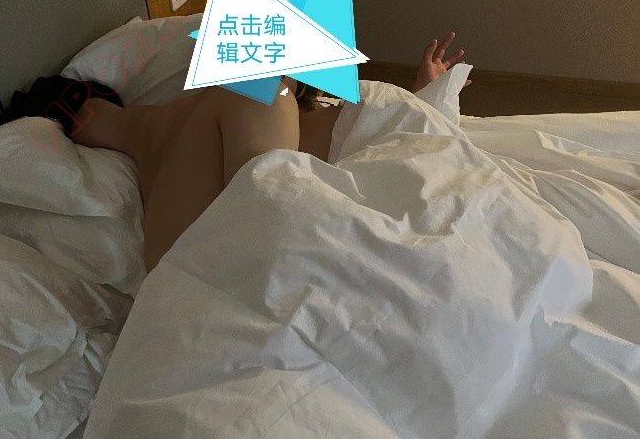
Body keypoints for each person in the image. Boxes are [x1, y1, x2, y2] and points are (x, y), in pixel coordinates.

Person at [26, 32, 468, 272]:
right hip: (214, 275)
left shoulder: (152, 122)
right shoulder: (267, 98)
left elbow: (80, 111)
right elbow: (276, 215)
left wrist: (425, 100)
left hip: (175, 275)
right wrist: (425, 105)